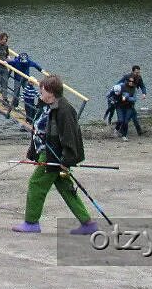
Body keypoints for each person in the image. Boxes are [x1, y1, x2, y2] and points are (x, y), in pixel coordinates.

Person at [13, 75, 98, 235]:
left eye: (42, 90)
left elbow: (70, 136)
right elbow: (40, 131)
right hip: (49, 153)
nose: (40, 93)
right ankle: (87, 223)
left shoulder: (64, 109)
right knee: (66, 188)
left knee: (36, 184)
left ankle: (31, 222)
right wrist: (32, 152)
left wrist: (66, 160)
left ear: (51, 92)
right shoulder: (47, 106)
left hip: (54, 156)